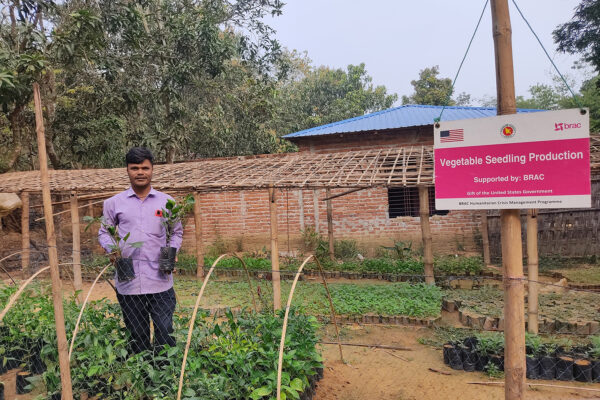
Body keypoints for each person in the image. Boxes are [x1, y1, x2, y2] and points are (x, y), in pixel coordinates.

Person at [98, 147, 182, 354]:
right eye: (134, 168)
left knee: (164, 330)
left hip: (160, 280)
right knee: (137, 332)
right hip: (129, 281)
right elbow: (104, 232)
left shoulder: (167, 202)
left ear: (152, 170)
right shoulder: (113, 203)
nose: (140, 172)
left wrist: (173, 250)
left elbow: (176, 232)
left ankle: (164, 374)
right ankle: (142, 373)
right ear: (127, 170)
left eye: (145, 167)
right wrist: (112, 250)